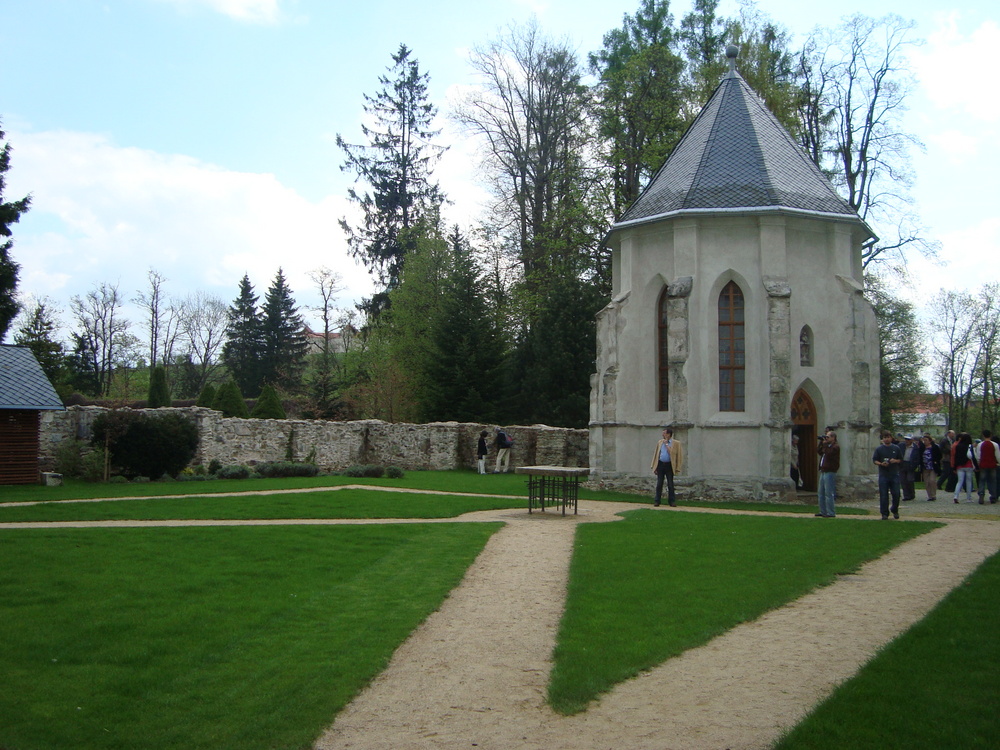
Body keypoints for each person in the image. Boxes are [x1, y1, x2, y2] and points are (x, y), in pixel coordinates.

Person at [872, 430, 904, 519]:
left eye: (888, 437)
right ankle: (884, 513)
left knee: (896, 493)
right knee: (883, 494)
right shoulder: (879, 449)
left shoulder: (896, 448)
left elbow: (901, 460)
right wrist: (881, 464)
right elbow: (875, 460)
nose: (886, 439)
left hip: (894, 474)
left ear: (891, 438)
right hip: (883, 474)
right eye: (884, 438)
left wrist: (895, 461)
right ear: (882, 439)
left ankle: (894, 509)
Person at [650, 427, 683, 507]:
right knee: (659, 483)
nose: (663, 434)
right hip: (661, 464)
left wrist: (667, 444)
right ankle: (657, 501)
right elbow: (656, 454)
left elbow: (675, 454)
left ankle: (672, 501)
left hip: (669, 465)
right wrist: (654, 466)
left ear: (668, 434)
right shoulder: (660, 442)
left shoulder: (676, 443)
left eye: (664, 433)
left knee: (670, 484)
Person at [816, 430, 839, 517]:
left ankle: (831, 512)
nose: (826, 438)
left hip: (830, 471)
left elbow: (828, 453)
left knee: (828, 493)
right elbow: (819, 452)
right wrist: (821, 443)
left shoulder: (835, 447)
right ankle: (823, 511)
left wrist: (825, 444)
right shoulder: (827, 446)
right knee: (821, 492)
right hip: (823, 470)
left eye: (828, 437)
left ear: (833, 438)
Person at [976, 429, 999, 504]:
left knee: (982, 480)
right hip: (992, 465)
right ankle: (993, 496)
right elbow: (997, 456)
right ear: (990, 435)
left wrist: (979, 462)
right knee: (992, 481)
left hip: (983, 465)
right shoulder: (995, 445)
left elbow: (978, 456)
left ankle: (981, 494)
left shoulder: (980, 445)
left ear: (983, 435)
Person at [951, 432, 976, 503]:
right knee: (968, 482)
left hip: (959, 466)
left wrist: (954, 467)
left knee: (959, 481)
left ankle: (956, 496)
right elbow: (973, 457)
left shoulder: (958, 446)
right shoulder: (970, 446)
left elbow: (956, 457)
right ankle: (968, 497)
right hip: (968, 465)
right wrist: (976, 466)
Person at [920, 434, 942, 501]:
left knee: (932, 481)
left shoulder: (935, 447)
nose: (924, 441)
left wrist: (936, 461)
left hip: (932, 466)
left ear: (930, 441)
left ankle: (933, 495)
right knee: (926, 482)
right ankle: (929, 495)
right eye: (923, 440)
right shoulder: (922, 448)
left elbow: (939, 456)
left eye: (926, 440)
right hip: (925, 467)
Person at [899, 435, 921, 501]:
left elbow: (918, 458)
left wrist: (915, 465)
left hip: (910, 465)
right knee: (903, 480)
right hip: (903, 464)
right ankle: (906, 495)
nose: (907, 441)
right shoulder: (901, 446)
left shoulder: (915, 448)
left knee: (910, 479)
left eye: (908, 440)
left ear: (912, 440)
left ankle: (911, 493)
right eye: (906, 439)